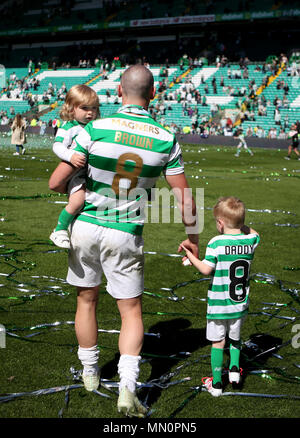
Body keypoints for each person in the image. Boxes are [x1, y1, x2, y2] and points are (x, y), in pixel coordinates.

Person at [48, 65, 199, 417]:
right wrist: (193, 238)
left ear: (119, 91)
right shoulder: (167, 138)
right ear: (154, 92)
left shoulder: (94, 128)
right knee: (130, 311)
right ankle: (127, 388)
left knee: (86, 300)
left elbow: (57, 182)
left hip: (85, 225)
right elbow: (185, 200)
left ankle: (90, 374)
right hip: (126, 232)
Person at [181, 196, 260, 397]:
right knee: (235, 338)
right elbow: (255, 233)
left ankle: (216, 384)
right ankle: (234, 371)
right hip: (239, 304)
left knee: (218, 343)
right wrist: (240, 224)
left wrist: (191, 256)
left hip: (219, 305)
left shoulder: (216, 242)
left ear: (220, 223)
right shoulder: (250, 240)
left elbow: (206, 270)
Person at [49, 85, 100, 249]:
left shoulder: (96, 127)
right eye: (85, 108)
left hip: (92, 174)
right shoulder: (68, 127)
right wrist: (71, 156)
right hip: (76, 173)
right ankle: (59, 229)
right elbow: (57, 147)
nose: (90, 112)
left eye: (94, 108)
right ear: (71, 109)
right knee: (77, 201)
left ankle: (75, 226)